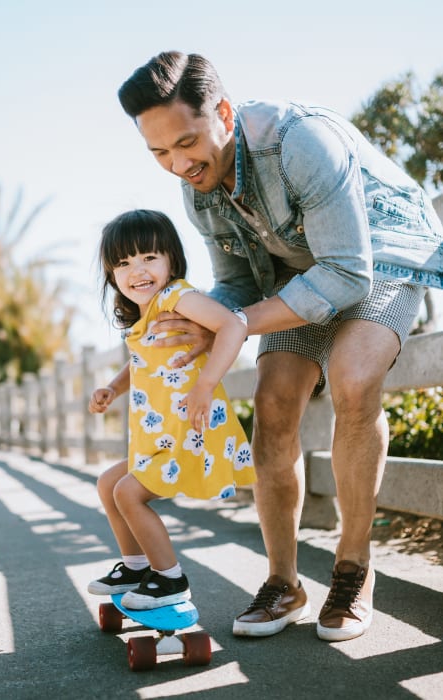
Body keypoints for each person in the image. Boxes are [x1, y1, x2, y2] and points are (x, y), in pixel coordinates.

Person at [103, 51, 442, 640]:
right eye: (159, 153)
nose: (179, 164)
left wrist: (233, 322)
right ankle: (283, 583)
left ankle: (354, 568)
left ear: (225, 114)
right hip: (292, 275)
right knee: (275, 403)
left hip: (377, 257)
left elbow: (347, 273)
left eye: (187, 142)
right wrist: (212, 317)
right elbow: (236, 283)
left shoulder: (301, 142)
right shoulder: (199, 188)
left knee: (354, 379)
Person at [87, 209, 255, 610]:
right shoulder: (146, 315)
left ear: (171, 260)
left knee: (129, 493)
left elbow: (233, 325)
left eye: (149, 257)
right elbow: (143, 360)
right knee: (109, 484)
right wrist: (113, 387)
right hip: (160, 435)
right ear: (112, 274)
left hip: (190, 430)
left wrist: (206, 384)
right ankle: (135, 566)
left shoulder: (176, 296)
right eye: (124, 263)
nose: (137, 270)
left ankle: (169, 579)